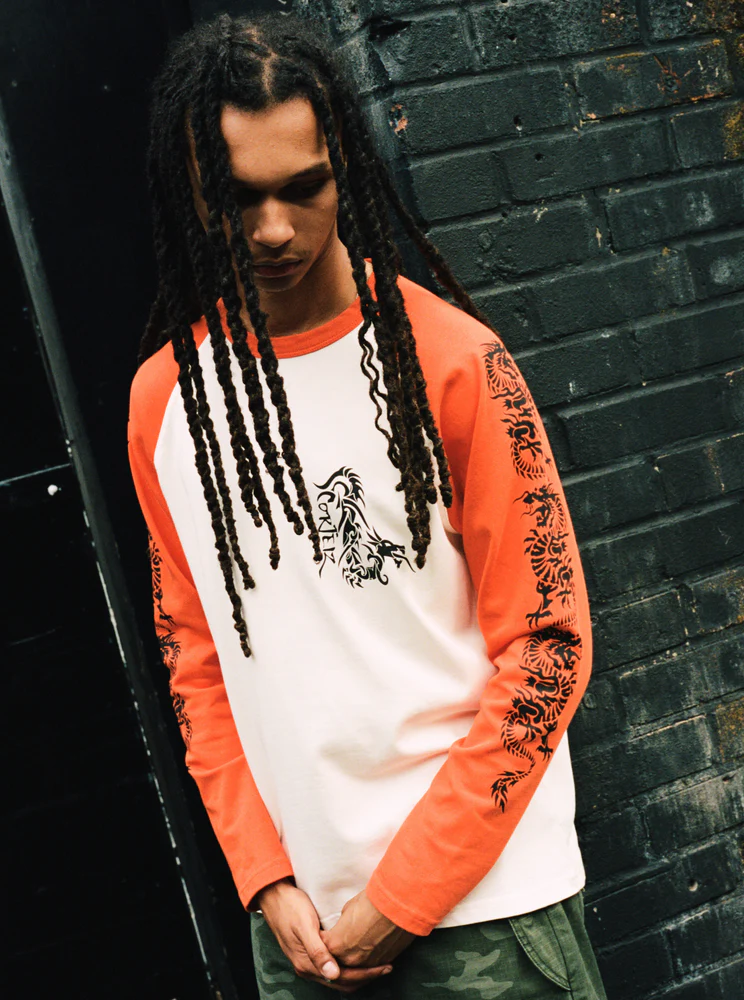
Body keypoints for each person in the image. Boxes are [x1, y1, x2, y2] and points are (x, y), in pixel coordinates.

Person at [128, 11, 607, 999]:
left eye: (302, 188)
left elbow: (548, 647)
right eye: (238, 196)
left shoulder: (454, 362)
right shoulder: (165, 403)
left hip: (486, 915)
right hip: (298, 932)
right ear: (192, 189)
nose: (272, 229)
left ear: (343, 167)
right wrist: (262, 876)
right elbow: (195, 661)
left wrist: (402, 894)